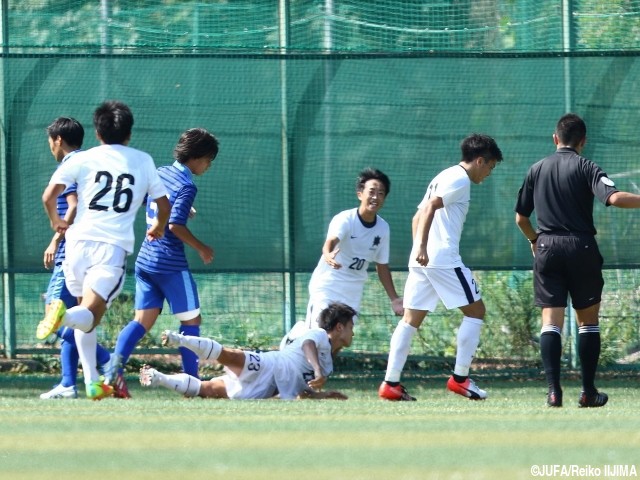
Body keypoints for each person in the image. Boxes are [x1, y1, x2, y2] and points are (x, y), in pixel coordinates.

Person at [36, 100, 171, 400]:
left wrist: (57, 223)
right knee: (88, 315)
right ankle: (64, 317)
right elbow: (164, 205)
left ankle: (93, 382)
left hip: (76, 246)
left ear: (97, 132)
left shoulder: (81, 159)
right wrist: (159, 225)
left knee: (86, 310)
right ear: (129, 133)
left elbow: (49, 196)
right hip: (109, 249)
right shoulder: (143, 161)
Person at [514, 113, 640, 408]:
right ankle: (587, 391)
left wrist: (535, 240)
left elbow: (521, 218)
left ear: (555, 138)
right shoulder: (587, 167)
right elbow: (613, 198)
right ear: (583, 142)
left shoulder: (536, 169)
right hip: (581, 247)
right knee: (588, 323)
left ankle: (553, 391)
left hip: (546, 247)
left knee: (551, 323)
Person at [379, 134, 503, 401]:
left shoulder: (443, 175)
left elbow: (418, 215)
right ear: (480, 160)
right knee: (476, 311)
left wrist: (418, 253)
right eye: (490, 167)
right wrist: (424, 247)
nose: (489, 173)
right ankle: (460, 379)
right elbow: (430, 209)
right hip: (442, 259)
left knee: (410, 320)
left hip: (424, 261)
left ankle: (390, 383)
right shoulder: (459, 179)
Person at [106, 128, 219, 398]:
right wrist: (201, 247)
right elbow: (175, 225)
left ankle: (112, 370)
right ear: (198, 157)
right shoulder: (187, 185)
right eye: (209, 160)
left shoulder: (160, 172)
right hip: (170, 264)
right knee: (191, 321)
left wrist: (180, 208)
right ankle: (192, 382)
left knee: (141, 320)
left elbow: (151, 199)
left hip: (146, 259)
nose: (209, 165)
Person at [280, 168, 403, 349]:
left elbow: (382, 265)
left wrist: (394, 298)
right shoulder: (345, 219)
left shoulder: (383, 228)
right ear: (360, 194)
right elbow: (330, 241)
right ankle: (298, 338)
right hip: (328, 285)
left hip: (353, 290)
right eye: (372, 192)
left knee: (342, 340)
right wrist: (328, 253)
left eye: (381, 193)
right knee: (320, 335)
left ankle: (318, 368)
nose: (376, 197)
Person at [139, 302, 356, 400]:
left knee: (210, 391)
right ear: (339, 327)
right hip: (271, 364)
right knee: (229, 355)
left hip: (266, 389)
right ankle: (179, 339)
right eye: (351, 327)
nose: (353, 333)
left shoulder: (328, 365)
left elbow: (302, 392)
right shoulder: (318, 335)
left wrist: (324, 395)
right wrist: (317, 370)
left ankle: (158, 378)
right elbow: (306, 344)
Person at [38, 117, 110, 399]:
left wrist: (57, 237)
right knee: (74, 317)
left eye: (50, 141)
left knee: (53, 318)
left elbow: (73, 205)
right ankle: (69, 383)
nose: (50, 147)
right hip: (93, 250)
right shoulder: (91, 164)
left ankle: (107, 360)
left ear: (58, 140)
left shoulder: (71, 166)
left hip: (71, 252)